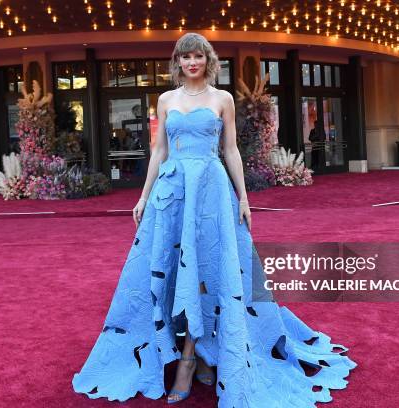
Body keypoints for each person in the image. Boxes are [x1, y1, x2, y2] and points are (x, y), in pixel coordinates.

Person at [72, 33, 356, 407]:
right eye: (185, 57)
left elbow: (231, 149)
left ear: (208, 60)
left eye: (198, 57)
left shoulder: (222, 99)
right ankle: (197, 350)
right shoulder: (166, 99)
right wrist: (143, 196)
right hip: (173, 195)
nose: (192, 63)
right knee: (171, 270)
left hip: (211, 194)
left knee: (209, 272)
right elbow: (159, 151)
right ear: (178, 62)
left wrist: (244, 197)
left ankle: (192, 358)